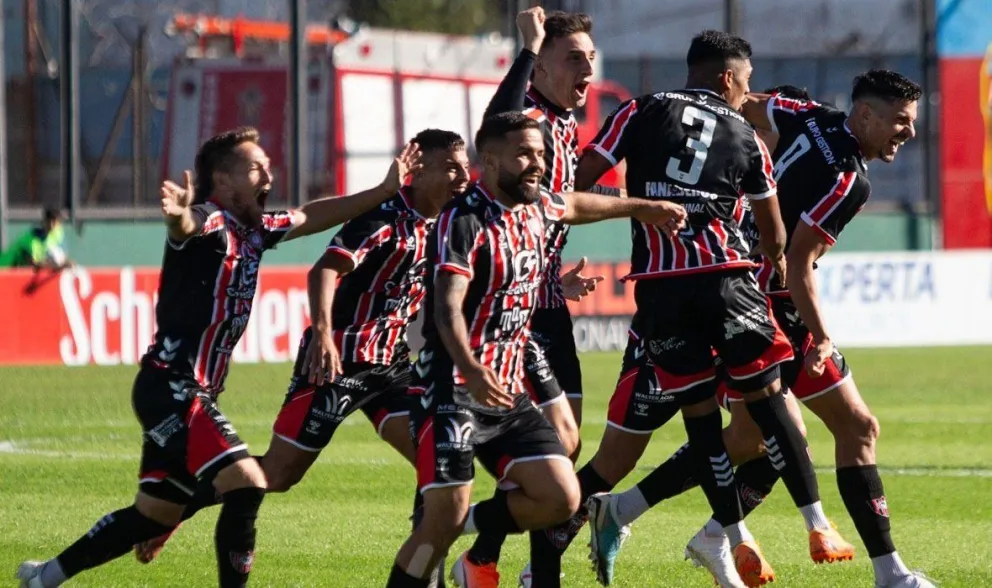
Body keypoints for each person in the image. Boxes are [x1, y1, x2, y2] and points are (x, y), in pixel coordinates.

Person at [16, 126, 421, 588]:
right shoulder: (212, 221)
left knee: (154, 514)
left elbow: (310, 215)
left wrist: (383, 191)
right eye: (256, 167)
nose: (269, 174)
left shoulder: (256, 231)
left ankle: (44, 577)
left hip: (183, 390)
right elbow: (188, 226)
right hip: (175, 386)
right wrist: (178, 217)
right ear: (225, 181)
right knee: (248, 482)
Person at [127, 130, 469, 583]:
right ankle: (175, 511)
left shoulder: (452, 222)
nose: (464, 177)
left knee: (434, 459)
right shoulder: (384, 218)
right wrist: (324, 335)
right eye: (452, 167)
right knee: (277, 475)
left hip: (392, 367)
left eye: (466, 167)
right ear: (419, 171)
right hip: (335, 365)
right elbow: (324, 269)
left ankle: (427, 571)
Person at [573, 30, 837, 588]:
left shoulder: (639, 109)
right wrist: (769, 259)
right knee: (617, 458)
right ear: (727, 77)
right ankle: (523, 544)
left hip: (660, 291)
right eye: (745, 83)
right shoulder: (746, 137)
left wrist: (637, 206)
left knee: (721, 427)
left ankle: (726, 535)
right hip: (727, 287)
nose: (747, 95)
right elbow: (774, 238)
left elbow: (576, 182)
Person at [385, 111, 687, 588]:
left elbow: (575, 203)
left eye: (541, 154)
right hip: (452, 388)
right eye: (523, 154)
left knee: (561, 497)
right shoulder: (462, 220)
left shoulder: (536, 206)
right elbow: (446, 308)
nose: (537, 163)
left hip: (506, 392)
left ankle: (453, 526)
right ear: (490, 161)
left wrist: (641, 208)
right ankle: (444, 529)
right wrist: (470, 368)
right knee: (441, 520)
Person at [452, 9, 619, 586]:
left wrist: (551, 277)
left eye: (591, 58)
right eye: (573, 58)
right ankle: (501, 560)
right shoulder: (528, 120)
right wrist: (525, 47)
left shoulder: (565, 126)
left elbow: (550, 213)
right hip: (508, 318)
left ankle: (484, 556)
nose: (587, 69)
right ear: (541, 67)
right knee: (557, 444)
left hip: (546, 301)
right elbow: (493, 123)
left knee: (564, 447)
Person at [0, 207, 73, 270]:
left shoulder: (58, 234)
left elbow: (63, 258)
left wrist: (67, 263)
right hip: (4, 269)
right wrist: (55, 265)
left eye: (55, 222)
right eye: (49, 221)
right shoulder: (31, 240)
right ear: (44, 221)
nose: (52, 225)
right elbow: (34, 265)